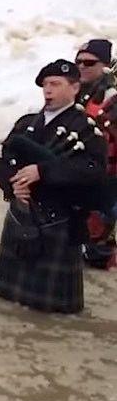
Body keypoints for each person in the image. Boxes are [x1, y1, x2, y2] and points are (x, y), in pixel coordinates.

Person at [0, 59, 109, 314]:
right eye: (45, 85)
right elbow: (1, 163)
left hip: (61, 221)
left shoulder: (86, 130)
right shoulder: (26, 123)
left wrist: (42, 171)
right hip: (21, 217)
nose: (48, 91)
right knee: (5, 301)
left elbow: (94, 174)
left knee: (53, 312)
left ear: (75, 88)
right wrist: (12, 185)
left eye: (55, 84)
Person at [74, 39, 117, 269]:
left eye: (89, 62)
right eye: (78, 61)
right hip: (83, 174)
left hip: (108, 181)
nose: (81, 66)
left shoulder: (112, 97)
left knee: (99, 251)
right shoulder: (77, 91)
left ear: (104, 65)